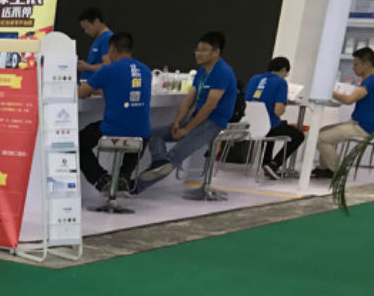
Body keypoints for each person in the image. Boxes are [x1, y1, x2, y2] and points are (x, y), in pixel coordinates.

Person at [138, 31, 238, 191]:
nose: (198, 53)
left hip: (213, 123)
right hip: (196, 118)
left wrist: (187, 129)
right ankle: (159, 161)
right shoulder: (202, 72)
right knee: (153, 134)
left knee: (175, 156)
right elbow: (189, 99)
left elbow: (210, 106)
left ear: (216, 52)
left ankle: (136, 187)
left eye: (203, 50)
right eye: (197, 49)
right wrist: (177, 122)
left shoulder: (222, 72)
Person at [76, 32, 151, 193]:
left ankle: (101, 179)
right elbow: (121, 90)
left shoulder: (108, 70)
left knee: (78, 142)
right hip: (142, 135)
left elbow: (80, 92)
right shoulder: (146, 71)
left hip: (112, 131)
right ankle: (123, 177)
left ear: (112, 49)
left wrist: (90, 89)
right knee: (136, 131)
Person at [314, 46, 374, 176]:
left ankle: (337, 171)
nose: (353, 68)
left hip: (363, 127)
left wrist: (328, 90)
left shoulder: (371, 80)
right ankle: (326, 169)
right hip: (359, 124)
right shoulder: (368, 80)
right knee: (322, 132)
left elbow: (349, 100)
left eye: (356, 64)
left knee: (320, 138)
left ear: (367, 63)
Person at [245, 57, 303, 178]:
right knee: (298, 135)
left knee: (275, 125)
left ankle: (266, 163)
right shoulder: (281, 82)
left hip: (249, 124)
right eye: (286, 73)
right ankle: (274, 164)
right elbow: (278, 111)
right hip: (268, 126)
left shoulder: (254, 78)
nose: (286, 76)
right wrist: (284, 104)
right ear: (283, 70)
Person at [76, 8, 113, 80]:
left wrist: (86, 67)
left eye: (87, 28)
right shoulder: (99, 38)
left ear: (96, 21)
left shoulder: (107, 38)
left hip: (94, 85)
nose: (86, 31)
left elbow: (108, 65)